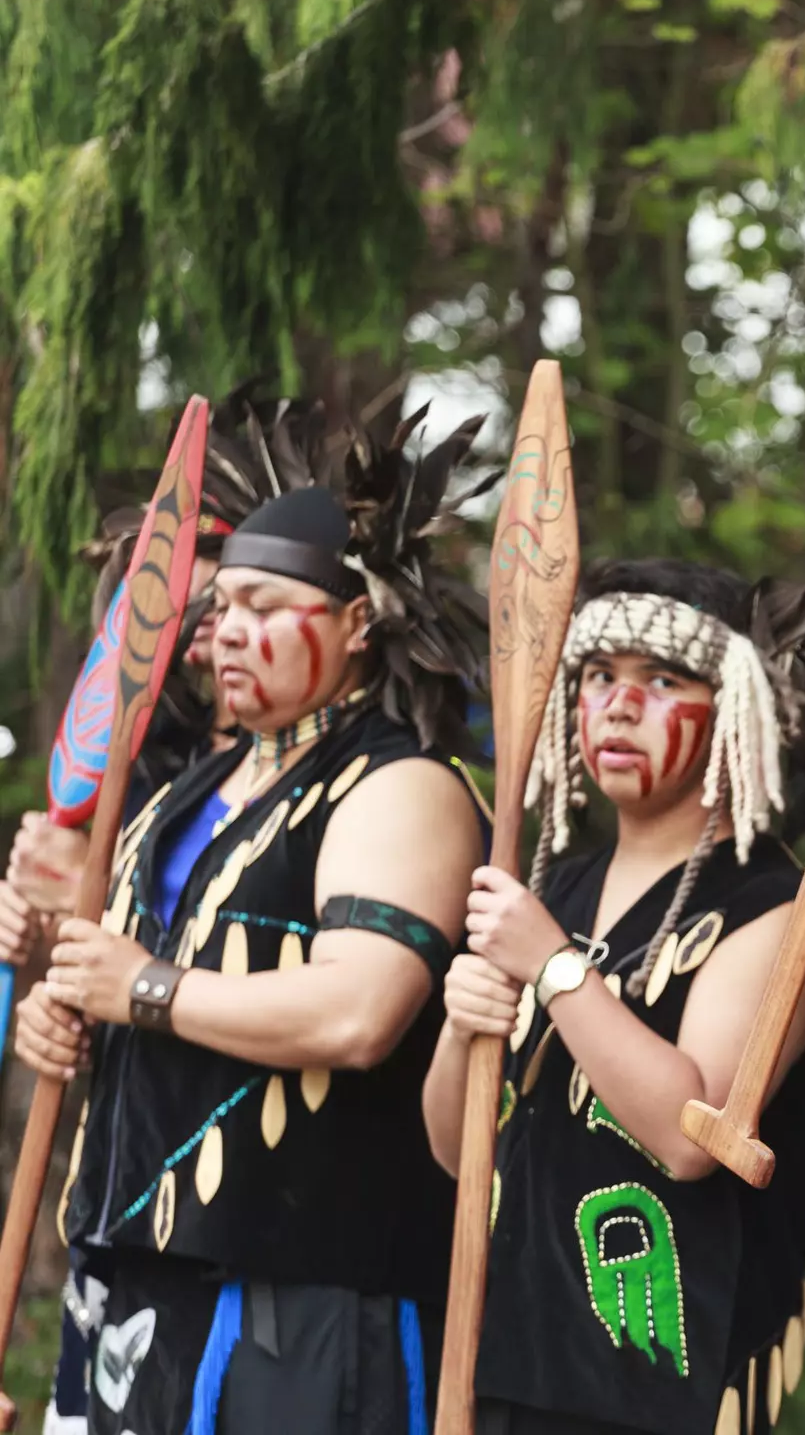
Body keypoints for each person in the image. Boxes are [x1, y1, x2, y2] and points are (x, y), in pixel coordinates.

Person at [12, 408, 491, 1435]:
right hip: (129, 1276)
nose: (226, 630)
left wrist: (138, 989)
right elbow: (137, 987)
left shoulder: (401, 787)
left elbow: (359, 1015)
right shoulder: (190, 791)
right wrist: (69, 1014)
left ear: (359, 623)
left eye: (264, 605)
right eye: (221, 607)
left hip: (300, 1292)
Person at [420, 558, 805, 1435]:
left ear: (737, 706)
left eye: (662, 680)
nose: (619, 704)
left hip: (670, 1394)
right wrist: (460, 1023)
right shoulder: (556, 890)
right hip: (507, 1363)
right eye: (598, 677)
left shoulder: (777, 914)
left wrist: (551, 965)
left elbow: (692, 1135)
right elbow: (454, 1151)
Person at [0, 390, 331, 1435]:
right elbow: (104, 1018)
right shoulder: (157, 793)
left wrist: (110, 953)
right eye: (200, 615)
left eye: (238, 610)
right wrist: (44, 945)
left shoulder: (345, 786)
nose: (208, 642)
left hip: (269, 1240)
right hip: (120, 1225)